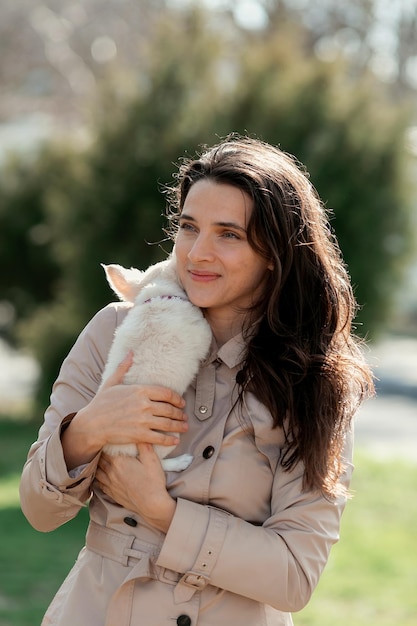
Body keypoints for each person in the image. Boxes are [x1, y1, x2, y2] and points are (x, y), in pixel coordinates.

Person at [19, 136, 374, 626]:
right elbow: (38, 510)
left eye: (228, 234)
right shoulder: (115, 331)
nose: (197, 253)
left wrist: (161, 511)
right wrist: (89, 428)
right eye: (189, 227)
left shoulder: (315, 381)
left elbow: (294, 577)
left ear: (274, 251)